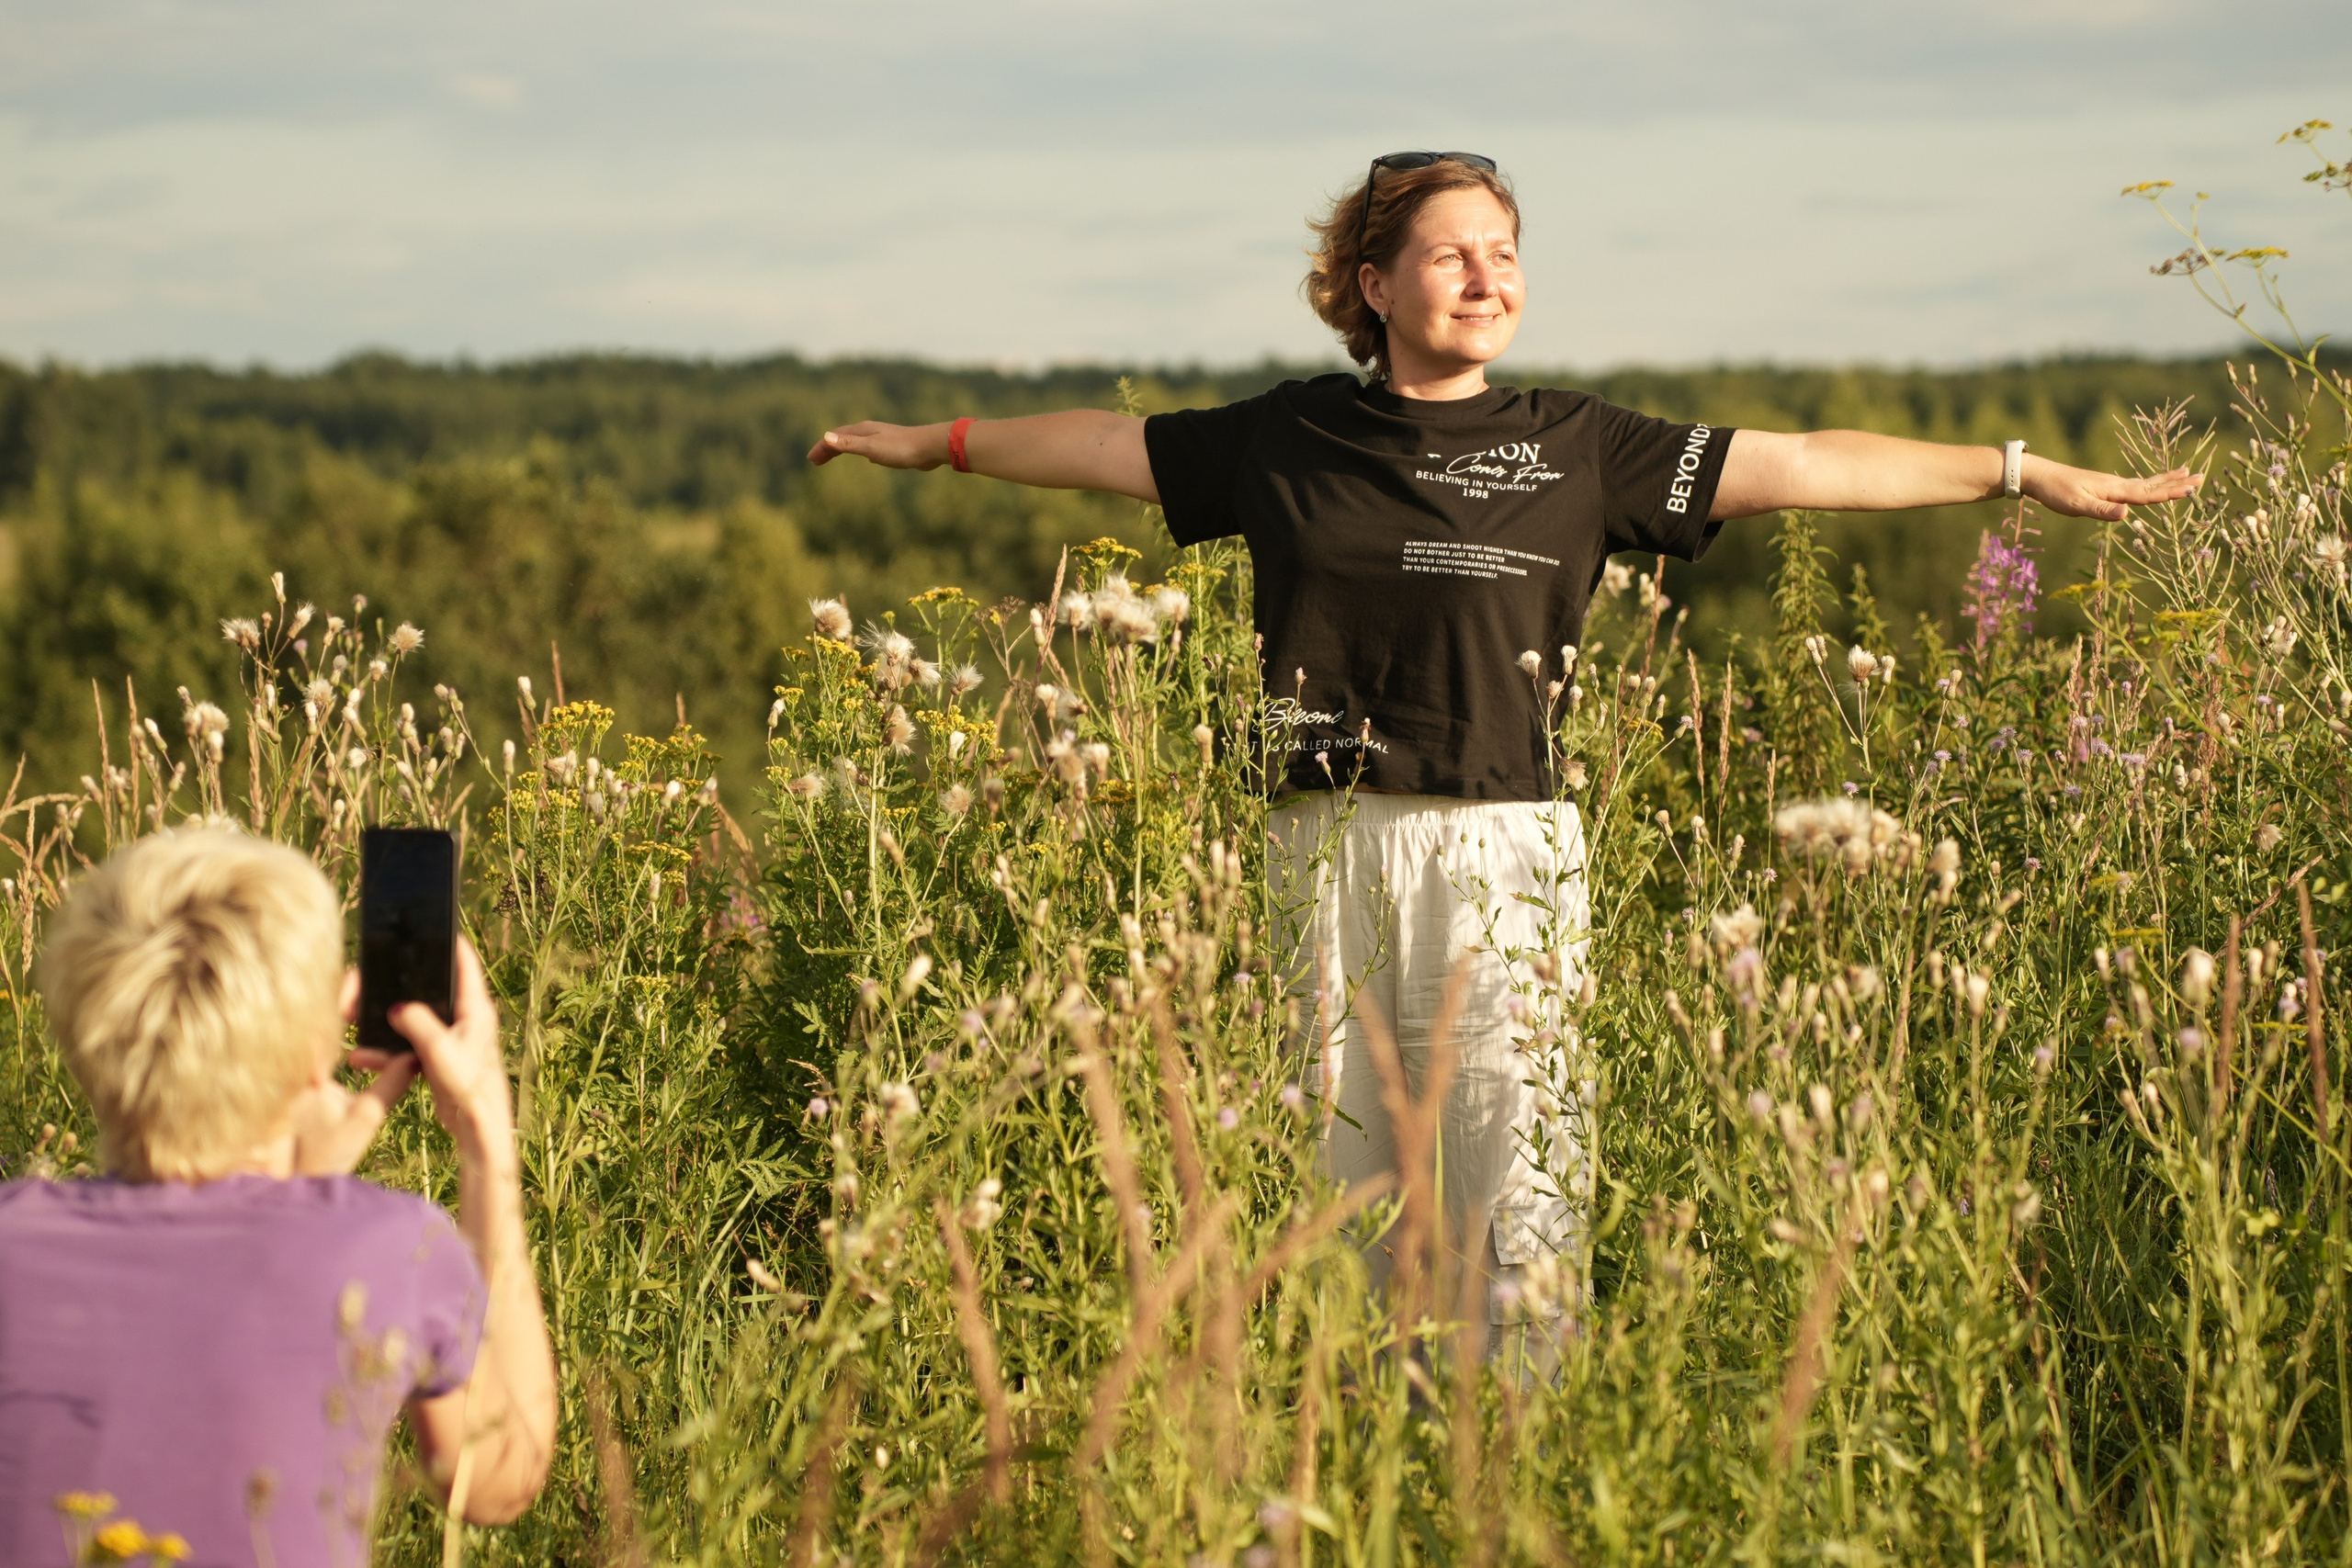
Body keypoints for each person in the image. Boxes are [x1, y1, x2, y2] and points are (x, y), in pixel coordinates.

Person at [804, 152, 2199, 1347]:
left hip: (1505, 849)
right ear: (1373, 285)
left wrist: (2018, 470)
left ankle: (1514, 1459)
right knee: (1337, 1179)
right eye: (1451, 255)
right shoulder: (1289, 436)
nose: (1486, 278)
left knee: (1518, 1180)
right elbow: (1107, 446)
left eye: (1505, 253)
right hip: (1320, 845)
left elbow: (1807, 461)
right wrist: (937, 441)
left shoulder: (1583, 446)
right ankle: (1355, 1458)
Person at [0, 827, 556, 1566]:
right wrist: (487, 1144)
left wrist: (297, 1187)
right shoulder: (389, 1247)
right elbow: (499, 1479)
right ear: (319, 1042)